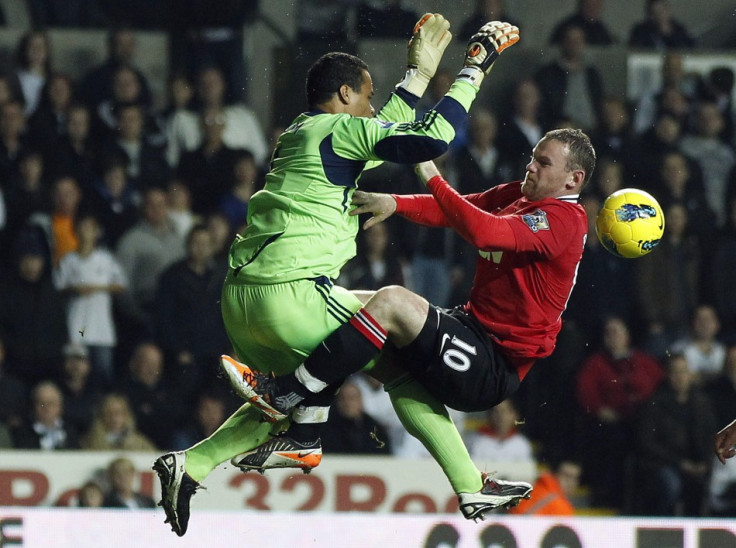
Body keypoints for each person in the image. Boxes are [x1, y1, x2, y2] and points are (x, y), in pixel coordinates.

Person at [153, 15, 525, 536]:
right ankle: (462, 482)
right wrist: (474, 66)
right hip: (291, 295)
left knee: (297, 391)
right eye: (368, 98)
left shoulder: (306, 135)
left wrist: (415, 79)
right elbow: (432, 136)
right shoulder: (338, 130)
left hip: (243, 303)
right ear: (345, 93)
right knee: (401, 363)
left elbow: (381, 128)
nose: (374, 109)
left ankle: (192, 465)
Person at [226, 127, 591, 507]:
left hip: (492, 365)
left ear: (573, 178)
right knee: (351, 305)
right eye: (533, 157)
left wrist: (430, 174)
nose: (530, 167)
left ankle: (287, 393)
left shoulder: (565, 219)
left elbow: (485, 232)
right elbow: (459, 209)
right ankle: (305, 435)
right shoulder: (520, 194)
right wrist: (395, 203)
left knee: (391, 302)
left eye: (543, 163)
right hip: (471, 328)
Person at [508, 457, 581, 516]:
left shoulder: (530, 489)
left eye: (575, 478)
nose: (570, 482)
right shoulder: (560, 505)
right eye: (566, 476)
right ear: (555, 474)